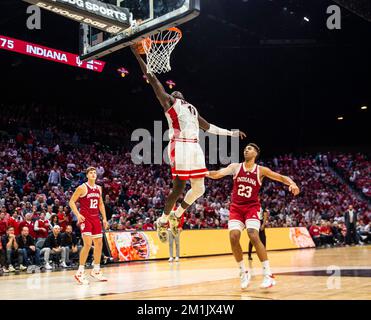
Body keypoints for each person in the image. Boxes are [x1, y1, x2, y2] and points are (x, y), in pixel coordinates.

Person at [131, 45, 246, 243]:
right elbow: (152, 79)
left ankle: (177, 214)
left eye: (179, 92)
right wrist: (137, 55)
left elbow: (208, 127)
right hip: (180, 145)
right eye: (174, 92)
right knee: (178, 188)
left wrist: (231, 133)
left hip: (194, 147)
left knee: (200, 188)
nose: (177, 92)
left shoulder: (192, 109)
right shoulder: (169, 102)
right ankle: (162, 219)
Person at [208, 143, 300, 289]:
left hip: (252, 207)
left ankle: (268, 274)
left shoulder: (261, 170)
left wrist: (293, 183)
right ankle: (243, 272)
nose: (246, 149)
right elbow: (218, 174)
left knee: (253, 234)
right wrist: (203, 173)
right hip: (236, 208)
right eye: (245, 148)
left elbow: (281, 177)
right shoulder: (235, 167)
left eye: (250, 148)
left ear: (256, 153)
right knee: (233, 237)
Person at [69, 167, 109, 285]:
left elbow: (101, 204)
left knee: (99, 243)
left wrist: (105, 219)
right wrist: (78, 214)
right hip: (86, 219)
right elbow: (71, 201)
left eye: (94, 172)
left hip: (96, 218)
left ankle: (96, 270)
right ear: (87, 175)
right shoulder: (82, 188)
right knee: (87, 244)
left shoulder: (99, 188)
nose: (93, 174)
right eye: (91, 173)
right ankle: (80, 272)